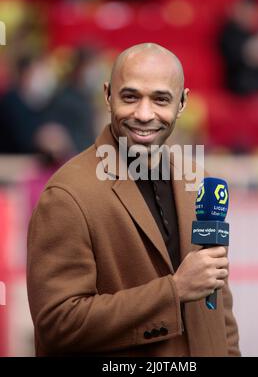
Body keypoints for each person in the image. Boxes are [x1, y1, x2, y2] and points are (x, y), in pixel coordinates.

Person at [27, 43, 240, 357]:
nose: (143, 114)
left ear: (182, 103)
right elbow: (58, 324)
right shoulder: (66, 195)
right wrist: (175, 290)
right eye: (130, 97)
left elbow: (219, 309)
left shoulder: (200, 182)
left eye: (160, 99)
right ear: (107, 95)